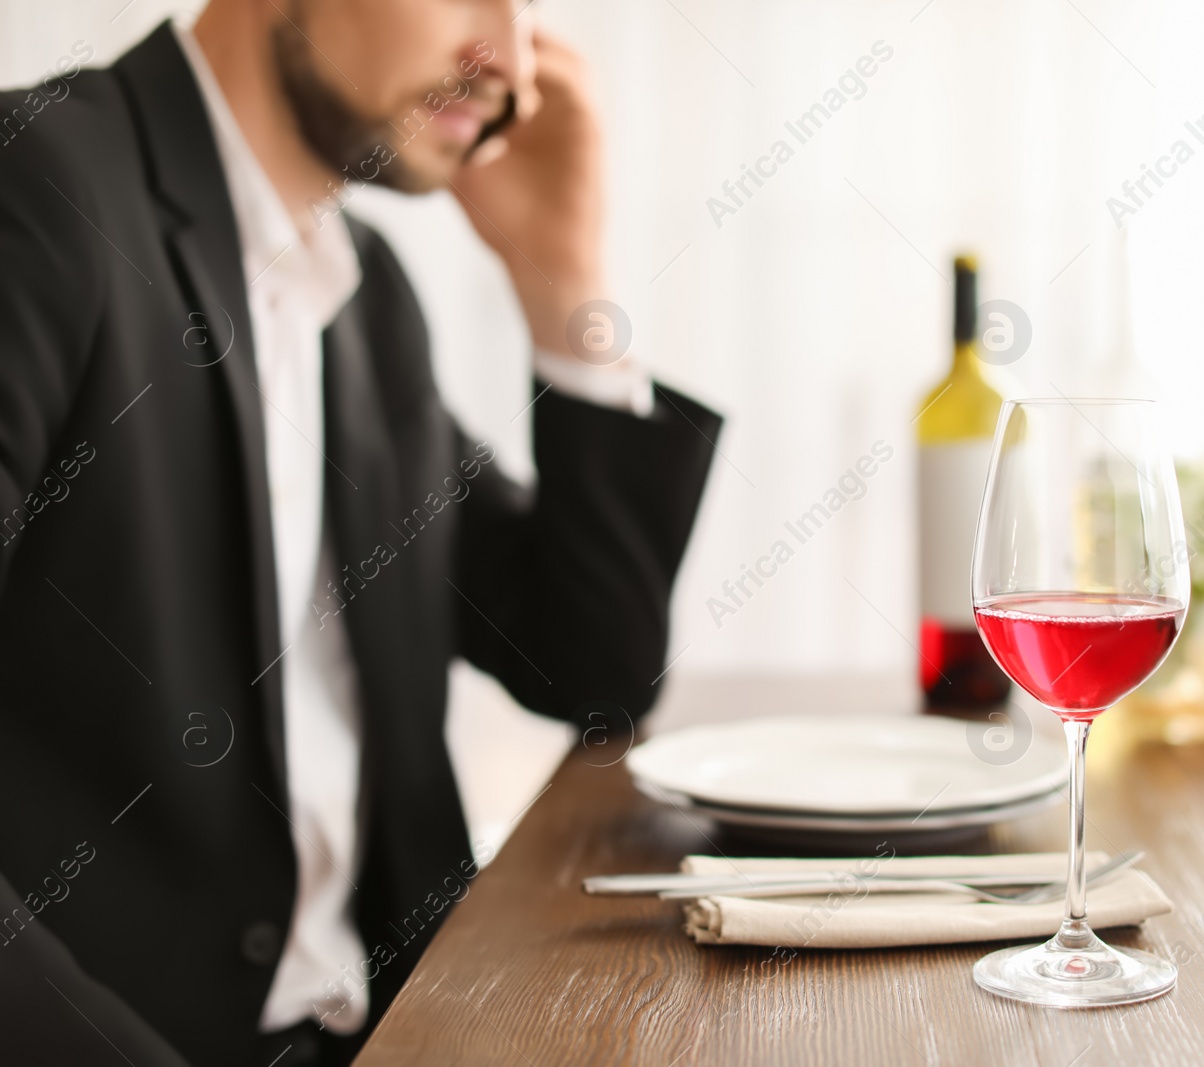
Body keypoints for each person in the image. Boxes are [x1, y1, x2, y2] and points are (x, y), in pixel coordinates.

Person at [0, 2, 720, 1063]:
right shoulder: (38, 192)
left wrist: (560, 279)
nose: (511, 60)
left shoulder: (367, 295)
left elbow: (593, 666)